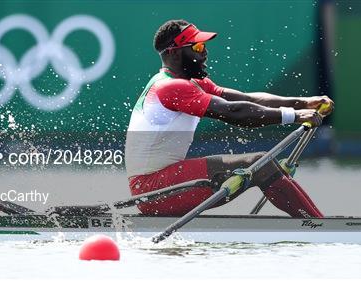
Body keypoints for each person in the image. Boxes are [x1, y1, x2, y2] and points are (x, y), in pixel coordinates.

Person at [125, 19, 334, 218]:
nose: (205, 53)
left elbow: (246, 99)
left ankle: (316, 223)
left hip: (165, 184)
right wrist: (293, 116)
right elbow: (234, 112)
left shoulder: (192, 83)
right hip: (153, 190)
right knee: (259, 163)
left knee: (264, 163)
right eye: (197, 48)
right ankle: (319, 227)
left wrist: (304, 102)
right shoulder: (171, 87)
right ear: (175, 54)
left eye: (204, 46)